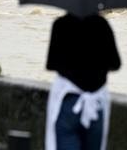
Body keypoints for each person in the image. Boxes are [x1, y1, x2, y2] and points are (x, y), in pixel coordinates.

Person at [45, 13, 121, 150]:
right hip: (95, 105)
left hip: (68, 102)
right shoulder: (102, 25)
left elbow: (51, 64)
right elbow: (116, 64)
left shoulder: (60, 24)